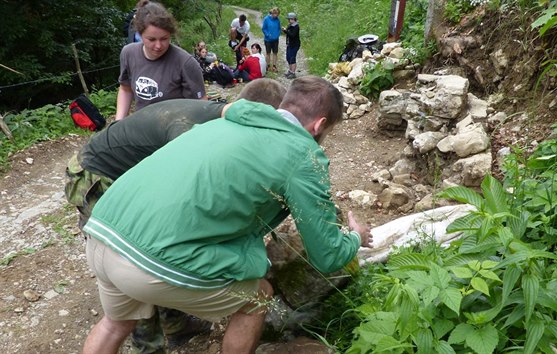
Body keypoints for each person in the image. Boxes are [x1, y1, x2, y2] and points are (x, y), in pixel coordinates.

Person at [80, 76, 373, 354]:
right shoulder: (302, 155)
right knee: (258, 297)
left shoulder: (221, 122)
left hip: (102, 230)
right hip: (148, 261)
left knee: (115, 323)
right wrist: (354, 238)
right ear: (319, 125)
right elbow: (327, 255)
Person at [65, 79, 287, 354]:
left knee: (148, 264)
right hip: (97, 175)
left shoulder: (215, 115)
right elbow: (184, 199)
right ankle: (148, 345)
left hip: (122, 173)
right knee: (139, 258)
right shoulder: (189, 130)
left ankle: (176, 324)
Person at [115, 2, 206, 121]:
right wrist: (119, 121)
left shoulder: (186, 63)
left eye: (164, 38)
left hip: (176, 127)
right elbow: (125, 89)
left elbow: (202, 104)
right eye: (151, 39)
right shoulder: (129, 53)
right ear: (140, 35)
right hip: (142, 126)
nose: (158, 46)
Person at [262, 7, 281, 72]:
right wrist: (267, 34)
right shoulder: (266, 19)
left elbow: (279, 28)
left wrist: (278, 34)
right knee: (268, 53)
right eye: (275, 14)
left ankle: (274, 66)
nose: (276, 15)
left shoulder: (277, 20)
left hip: (275, 39)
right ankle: (268, 66)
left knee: (275, 53)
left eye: (277, 14)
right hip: (268, 39)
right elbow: (264, 28)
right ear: (272, 13)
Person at [282, 12, 300, 79]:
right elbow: (288, 33)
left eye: (289, 19)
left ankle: (293, 73)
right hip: (289, 44)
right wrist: (285, 31)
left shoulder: (296, 26)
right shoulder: (290, 25)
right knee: (288, 57)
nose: (288, 20)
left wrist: (286, 31)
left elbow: (292, 35)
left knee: (292, 58)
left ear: (293, 19)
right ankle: (290, 71)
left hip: (294, 45)